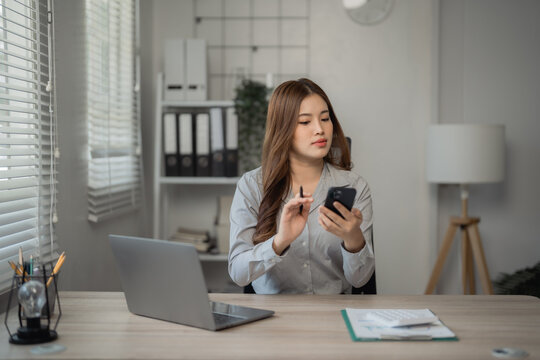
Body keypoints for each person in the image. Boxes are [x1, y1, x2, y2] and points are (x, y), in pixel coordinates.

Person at [228, 78, 374, 294]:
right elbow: (238, 274)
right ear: (283, 129)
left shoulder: (354, 186)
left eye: (325, 118)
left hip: (333, 316)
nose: (320, 129)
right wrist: (280, 241)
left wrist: (353, 238)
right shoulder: (251, 186)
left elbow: (360, 280)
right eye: (305, 122)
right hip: (274, 319)